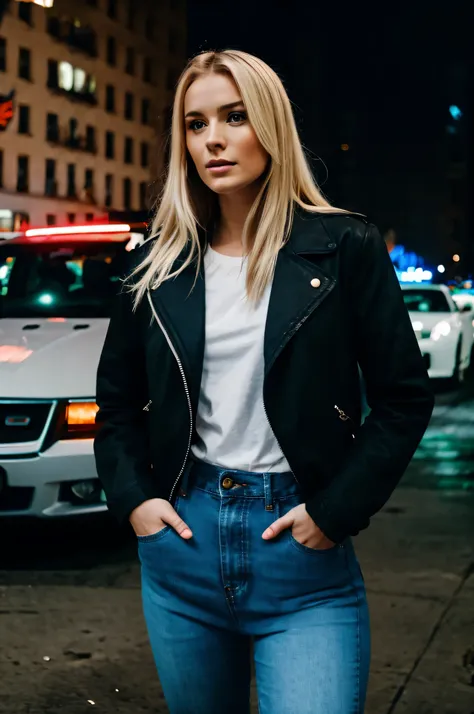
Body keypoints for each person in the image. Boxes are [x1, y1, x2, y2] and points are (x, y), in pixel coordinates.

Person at [94, 50, 434, 714]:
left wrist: (335, 514)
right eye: (195, 124)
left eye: (235, 117)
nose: (212, 139)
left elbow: (403, 399)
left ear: (271, 126)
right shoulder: (158, 262)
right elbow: (114, 404)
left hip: (302, 562)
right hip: (181, 550)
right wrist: (137, 502)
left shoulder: (343, 248)